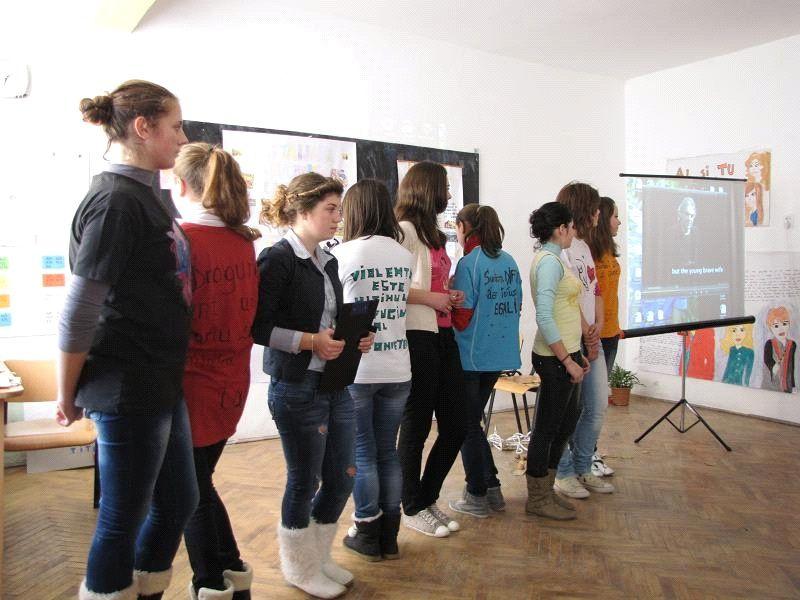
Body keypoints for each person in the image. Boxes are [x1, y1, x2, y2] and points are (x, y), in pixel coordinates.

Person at [57, 80, 199, 600]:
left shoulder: (143, 195)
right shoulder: (115, 202)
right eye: (175, 126)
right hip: (127, 384)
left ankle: (145, 590)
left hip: (159, 380)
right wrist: (66, 393)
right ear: (143, 127)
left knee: (178, 501)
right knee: (122, 519)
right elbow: (80, 309)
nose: (183, 138)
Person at [252, 172, 374, 598]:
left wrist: (355, 336)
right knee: (304, 481)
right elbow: (258, 327)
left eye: (339, 209)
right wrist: (310, 342)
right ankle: (299, 568)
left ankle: (318, 558)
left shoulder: (328, 260)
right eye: (331, 209)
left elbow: (331, 320)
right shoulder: (277, 258)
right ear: (303, 211)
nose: (339, 217)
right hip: (295, 386)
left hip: (334, 382)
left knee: (343, 476)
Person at [172, 143, 260, 600]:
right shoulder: (243, 242)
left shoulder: (180, 240)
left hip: (191, 386)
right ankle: (231, 573)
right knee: (197, 485)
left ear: (180, 185)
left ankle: (211, 582)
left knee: (189, 491)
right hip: (231, 383)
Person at [331, 179, 413, 561]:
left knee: (362, 453)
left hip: (359, 368)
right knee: (387, 453)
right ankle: (389, 536)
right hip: (397, 366)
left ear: (354, 211)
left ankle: (366, 531)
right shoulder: (403, 254)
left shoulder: (342, 254)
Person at [395, 161, 467, 538]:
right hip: (418, 334)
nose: (449, 195)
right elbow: (392, 287)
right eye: (444, 188)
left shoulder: (432, 234)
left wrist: (447, 294)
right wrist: (432, 298)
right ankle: (411, 505)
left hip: (443, 333)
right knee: (417, 423)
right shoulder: (404, 231)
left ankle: (425, 497)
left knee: (458, 422)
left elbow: (430, 283)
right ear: (428, 190)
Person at [447, 204, 522, 518]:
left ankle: (477, 493)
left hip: (472, 355)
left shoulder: (469, 263)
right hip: (499, 353)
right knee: (472, 422)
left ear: (465, 227)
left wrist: (446, 296)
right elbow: (517, 305)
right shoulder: (509, 261)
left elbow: (462, 316)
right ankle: (492, 488)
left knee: (466, 425)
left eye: (456, 226)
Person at [526, 202, 589, 520]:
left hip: (567, 354)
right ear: (561, 228)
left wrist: (577, 354)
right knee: (547, 429)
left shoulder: (555, 259)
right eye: (571, 226)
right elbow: (544, 317)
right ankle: (537, 498)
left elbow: (565, 311)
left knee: (564, 425)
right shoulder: (549, 262)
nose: (574, 232)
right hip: (554, 357)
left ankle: (546, 490)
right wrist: (567, 360)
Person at [553, 182, 615, 499]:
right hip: (570, 341)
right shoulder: (560, 249)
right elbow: (565, 298)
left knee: (597, 405)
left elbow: (595, 291)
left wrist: (598, 325)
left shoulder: (584, 248)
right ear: (583, 210)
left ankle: (583, 466)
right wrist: (585, 329)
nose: (598, 215)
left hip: (591, 338)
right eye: (594, 209)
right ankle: (563, 473)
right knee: (566, 411)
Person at [587, 196, 621, 477]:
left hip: (612, 332)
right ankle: (588, 454)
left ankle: (590, 451)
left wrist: (614, 325)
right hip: (594, 335)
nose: (618, 222)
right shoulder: (589, 253)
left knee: (599, 401)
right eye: (615, 216)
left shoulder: (610, 251)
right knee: (593, 402)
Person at [761, 306, 796, 393]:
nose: (781, 329)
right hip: (771, 386)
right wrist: (773, 366)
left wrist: (792, 385)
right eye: (776, 326)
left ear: (789, 324)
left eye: (784, 324)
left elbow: (791, 366)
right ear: (770, 328)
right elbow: (767, 359)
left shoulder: (792, 344)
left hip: (787, 386)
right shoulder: (769, 343)